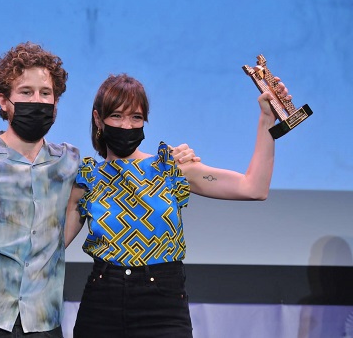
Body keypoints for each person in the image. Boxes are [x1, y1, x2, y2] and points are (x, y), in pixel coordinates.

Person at [0, 42, 199, 337]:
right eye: (26, 91)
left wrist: (176, 156)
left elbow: (120, 169)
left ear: (55, 102)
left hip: (42, 325)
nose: (36, 101)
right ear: (3, 100)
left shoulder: (70, 163)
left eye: (45, 93)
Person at [62, 73, 290, 338]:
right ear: (98, 119)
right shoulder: (88, 178)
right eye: (117, 116)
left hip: (163, 305)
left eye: (136, 117)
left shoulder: (171, 168)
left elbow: (253, 188)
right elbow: (51, 248)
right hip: (102, 304)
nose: (127, 126)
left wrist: (267, 119)